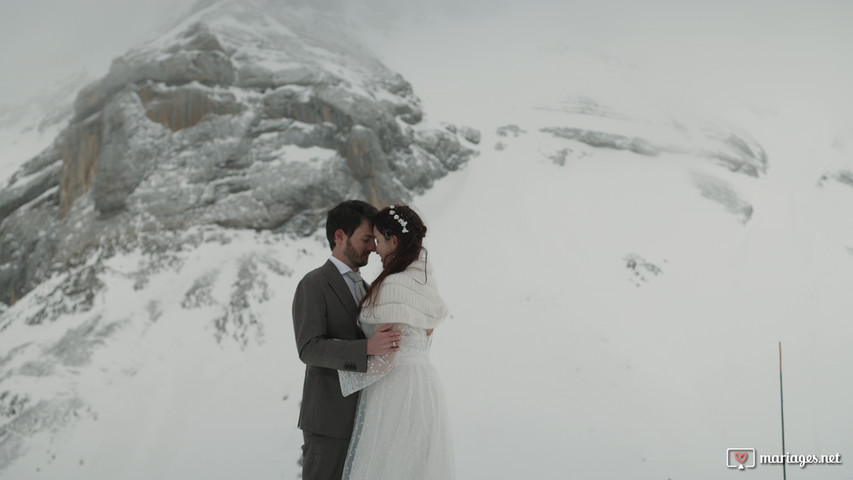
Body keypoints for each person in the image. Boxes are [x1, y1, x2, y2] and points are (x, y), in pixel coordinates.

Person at [339, 204, 455, 480]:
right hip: (424, 388)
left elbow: (387, 355)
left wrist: (342, 374)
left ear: (394, 241)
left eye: (378, 241)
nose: (375, 249)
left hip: (396, 388)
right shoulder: (424, 282)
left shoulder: (393, 286)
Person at [292, 200, 402, 480]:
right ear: (340, 236)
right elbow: (309, 348)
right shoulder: (313, 283)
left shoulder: (366, 288)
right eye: (366, 239)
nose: (373, 247)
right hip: (328, 421)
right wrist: (366, 348)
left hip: (362, 421)